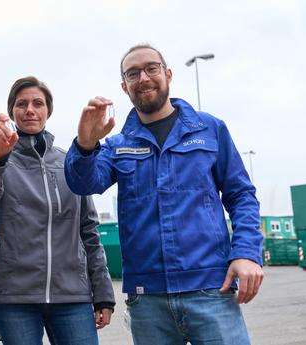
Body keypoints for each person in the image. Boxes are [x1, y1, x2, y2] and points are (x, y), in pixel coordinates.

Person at [64, 44, 264, 345]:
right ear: (124, 86)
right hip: (148, 302)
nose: (143, 78)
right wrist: (84, 145)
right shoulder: (118, 145)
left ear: (167, 74)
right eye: (133, 73)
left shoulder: (209, 130)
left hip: (211, 291)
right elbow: (84, 183)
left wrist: (247, 253)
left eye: (151, 68)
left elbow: (241, 195)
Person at [0, 76, 116, 345]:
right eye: (21, 104)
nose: (30, 110)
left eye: (38, 103)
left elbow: (89, 231)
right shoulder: (1, 157)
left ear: (48, 110)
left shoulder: (69, 162)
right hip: (14, 297)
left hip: (72, 296)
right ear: (12, 111)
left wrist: (103, 291)